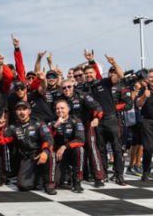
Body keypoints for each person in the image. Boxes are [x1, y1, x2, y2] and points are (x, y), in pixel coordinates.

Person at [0, 101, 56, 195]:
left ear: (29, 111)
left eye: (24, 109)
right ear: (16, 112)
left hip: (41, 155)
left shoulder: (38, 123)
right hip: (28, 159)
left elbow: (48, 139)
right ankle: (39, 179)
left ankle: (50, 184)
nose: (21, 112)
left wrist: (45, 151)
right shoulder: (13, 127)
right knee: (23, 186)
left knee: (51, 154)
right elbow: (0, 141)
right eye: (19, 110)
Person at [82, 54, 126, 185]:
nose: (89, 75)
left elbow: (121, 75)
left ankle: (119, 175)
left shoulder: (104, 82)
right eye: (87, 73)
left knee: (117, 149)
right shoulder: (84, 88)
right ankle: (104, 174)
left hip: (111, 119)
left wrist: (114, 63)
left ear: (95, 73)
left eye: (91, 72)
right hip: (96, 122)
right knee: (101, 149)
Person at [58, 79, 105, 187]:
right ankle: (73, 176)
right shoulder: (60, 99)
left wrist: (97, 118)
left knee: (92, 148)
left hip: (86, 125)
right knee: (72, 150)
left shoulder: (82, 95)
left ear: (73, 86)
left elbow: (97, 107)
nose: (67, 89)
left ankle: (99, 177)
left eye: (69, 87)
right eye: (64, 88)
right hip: (70, 128)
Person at [51, 100, 85, 193]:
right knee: (56, 182)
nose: (60, 110)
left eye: (62, 108)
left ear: (68, 109)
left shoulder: (76, 121)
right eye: (57, 108)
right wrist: (55, 126)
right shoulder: (52, 121)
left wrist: (65, 147)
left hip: (71, 152)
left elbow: (81, 140)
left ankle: (77, 181)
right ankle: (67, 173)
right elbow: (47, 138)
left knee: (80, 149)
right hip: (58, 155)